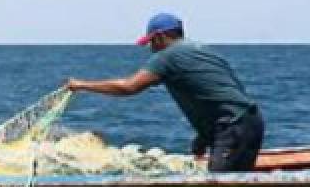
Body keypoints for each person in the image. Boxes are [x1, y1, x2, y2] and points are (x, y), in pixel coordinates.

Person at [65, 13, 265, 172]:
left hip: (232, 127)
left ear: (160, 37)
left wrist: (82, 85)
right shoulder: (204, 51)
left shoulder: (168, 56)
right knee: (235, 179)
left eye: (151, 42)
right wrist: (205, 137)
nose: (151, 48)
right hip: (250, 121)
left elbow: (129, 86)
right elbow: (221, 94)